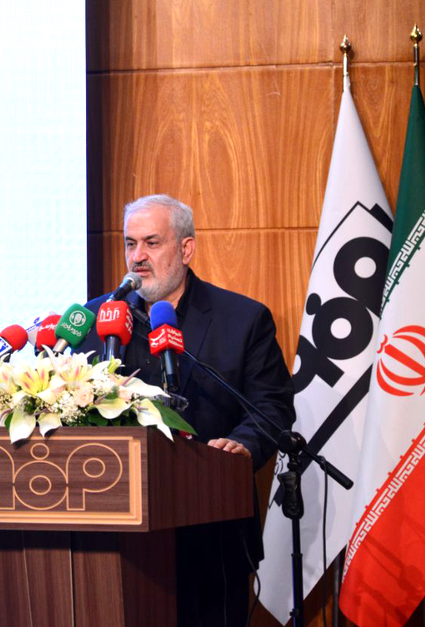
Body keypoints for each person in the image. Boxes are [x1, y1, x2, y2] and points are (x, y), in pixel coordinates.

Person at [82, 194, 295, 627]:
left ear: (186, 248)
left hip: (212, 535)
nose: (137, 257)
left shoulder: (243, 319)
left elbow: (271, 405)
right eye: (130, 244)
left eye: (152, 243)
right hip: (113, 539)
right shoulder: (95, 319)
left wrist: (242, 445)